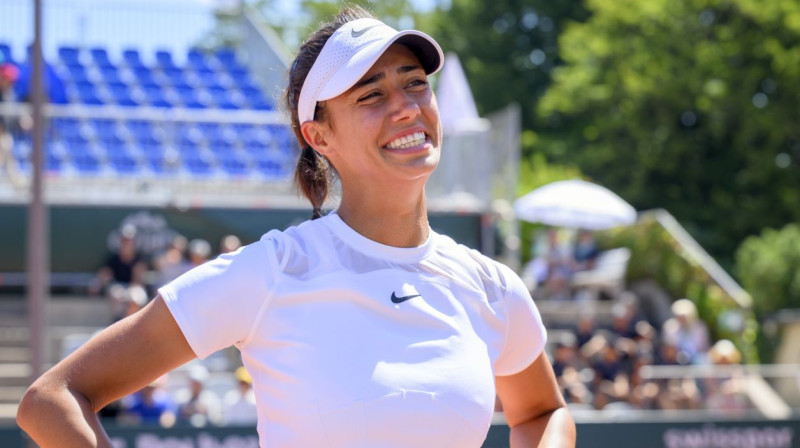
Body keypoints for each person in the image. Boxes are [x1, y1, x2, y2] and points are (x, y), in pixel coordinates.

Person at [16, 6, 575, 447]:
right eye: (371, 95)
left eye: (414, 83)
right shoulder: (272, 270)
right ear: (319, 137)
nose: (406, 106)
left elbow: (543, 413)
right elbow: (53, 399)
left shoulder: (491, 285)